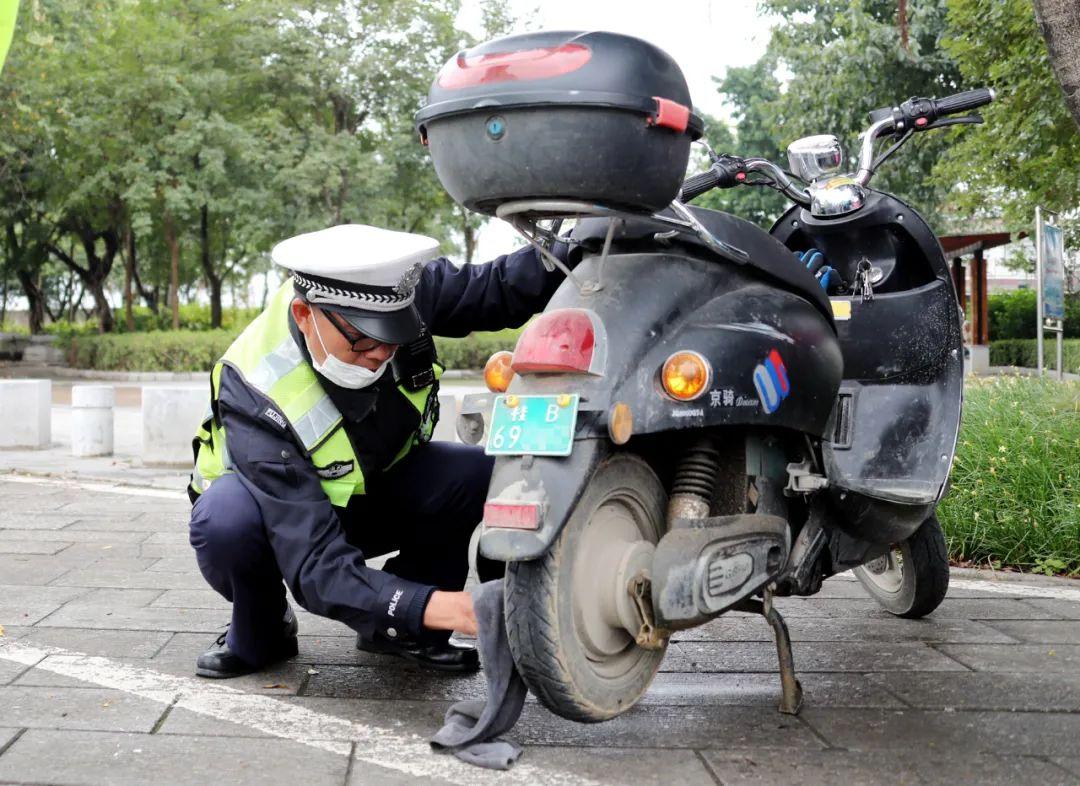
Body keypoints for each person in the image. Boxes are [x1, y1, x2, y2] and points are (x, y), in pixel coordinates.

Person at [188, 223, 568, 678]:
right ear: (305, 315)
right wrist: (454, 609)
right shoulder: (256, 388)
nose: (381, 352)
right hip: (279, 519)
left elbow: (498, 287)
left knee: (473, 472)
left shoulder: (390, 293)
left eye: (393, 335)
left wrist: (575, 248)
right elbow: (316, 566)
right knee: (226, 518)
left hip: (369, 493)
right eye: (362, 339)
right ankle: (265, 625)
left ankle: (401, 630)